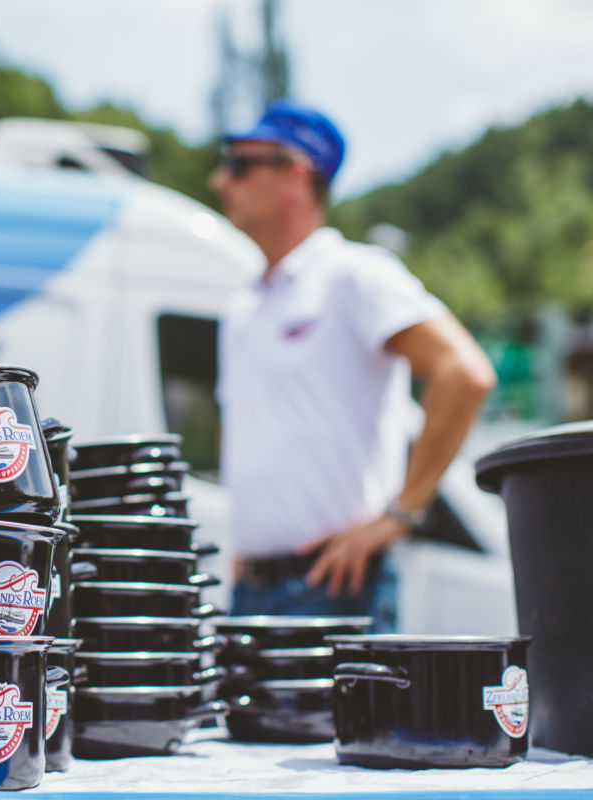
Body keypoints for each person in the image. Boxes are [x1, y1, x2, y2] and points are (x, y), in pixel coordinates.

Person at [209, 100, 497, 629]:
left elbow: (464, 374)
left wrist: (400, 515)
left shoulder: (355, 275)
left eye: (240, 165)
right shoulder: (242, 309)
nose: (219, 180)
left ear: (296, 175)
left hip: (336, 587)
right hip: (253, 589)